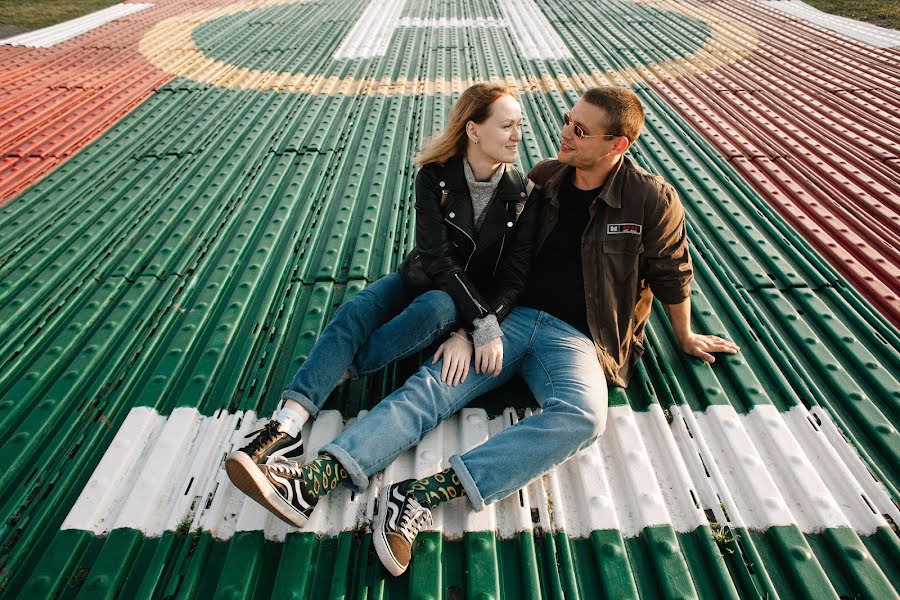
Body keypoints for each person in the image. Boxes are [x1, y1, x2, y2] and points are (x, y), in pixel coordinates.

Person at [231, 86, 739, 577]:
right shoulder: (546, 179)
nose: (565, 133)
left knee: (586, 417)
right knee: (431, 387)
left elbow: (673, 270)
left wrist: (686, 336)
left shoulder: (650, 199)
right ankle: (312, 480)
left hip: (578, 339)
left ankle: (418, 496)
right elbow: (503, 267)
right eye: (567, 119)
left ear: (617, 144)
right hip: (512, 320)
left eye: (580, 129)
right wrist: (467, 327)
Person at [224, 84, 542, 509]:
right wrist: (484, 325)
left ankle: (341, 371)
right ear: (473, 130)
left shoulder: (522, 195)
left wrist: (475, 325)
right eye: (506, 125)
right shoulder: (435, 177)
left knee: (438, 307)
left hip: (463, 301)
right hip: (421, 275)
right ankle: (287, 425)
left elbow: (515, 278)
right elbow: (436, 258)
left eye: (518, 125)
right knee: (355, 311)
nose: (517, 134)